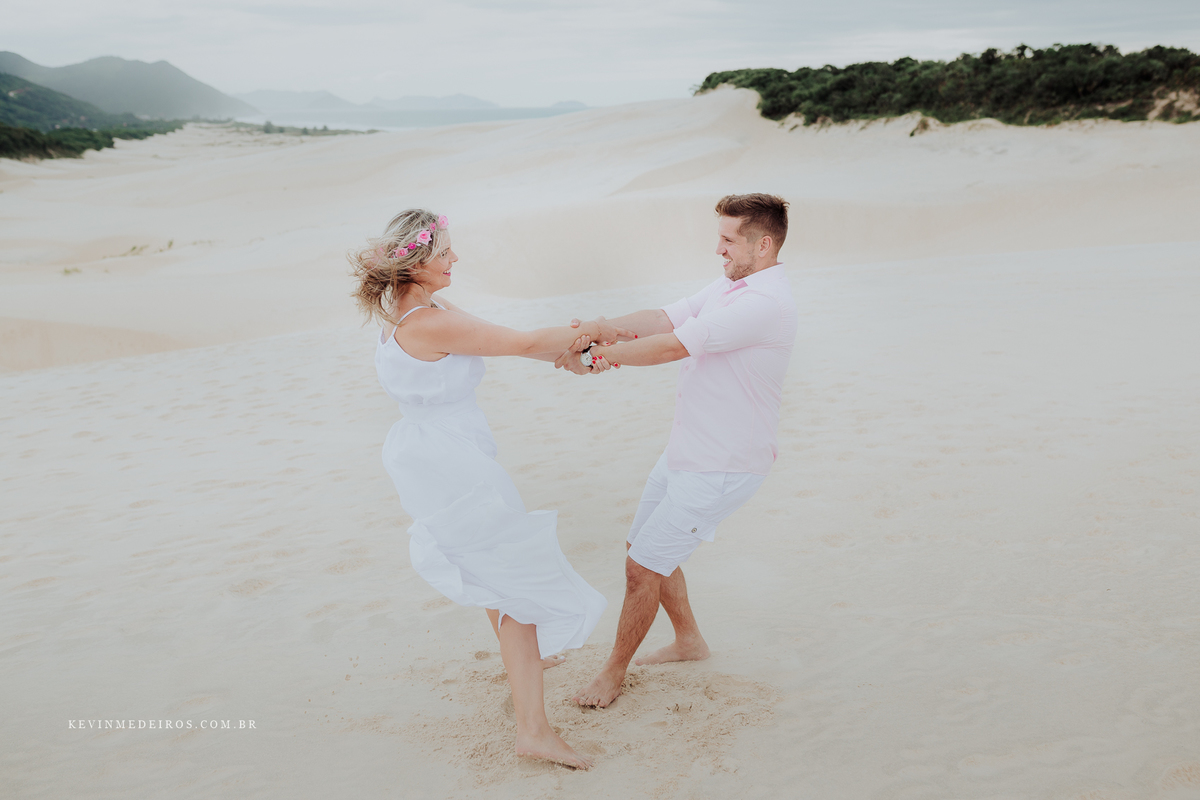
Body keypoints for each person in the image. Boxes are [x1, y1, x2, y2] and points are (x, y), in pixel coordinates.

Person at [350, 209, 631, 768]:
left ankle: (521, 660)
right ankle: (534, 730)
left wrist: (566, 356)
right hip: (450, 464)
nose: (455, 258)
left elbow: (516, 344)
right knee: (515, 586)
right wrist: (594, 329)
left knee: (490, 567)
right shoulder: (427, 325)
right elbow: (521, 339)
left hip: (436, 455)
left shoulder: (418, 314)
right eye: (446, 251)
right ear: (420, 263)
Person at [557, 193, 798, 708]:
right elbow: (666, 318)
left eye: (728, 239)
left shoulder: (763, 303)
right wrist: (600, 327)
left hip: (723, 465)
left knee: (643, 568)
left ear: (764, 243)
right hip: (687, 451)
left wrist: (600, 358)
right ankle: (689, 642)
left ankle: (612, 674)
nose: (718, 249)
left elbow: (674, 345)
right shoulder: (734, 284)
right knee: (641, 551)